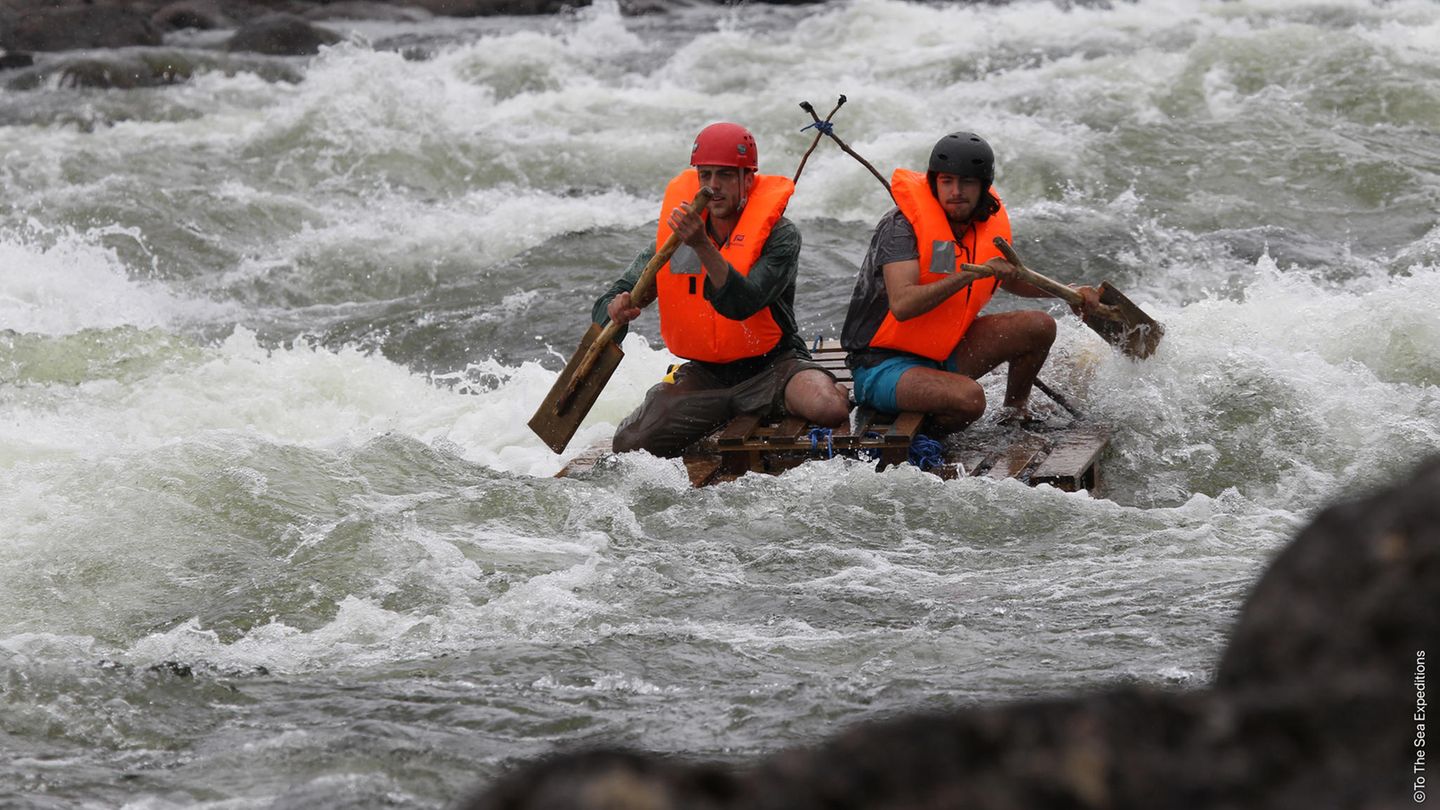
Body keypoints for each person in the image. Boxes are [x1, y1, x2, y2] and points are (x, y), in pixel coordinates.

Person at [592, 122, 851, 457]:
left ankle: (822, 387)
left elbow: (743, 303)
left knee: (828, 408)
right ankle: (717, 407)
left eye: (726, 176)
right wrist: (617, 307)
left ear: (747, 179)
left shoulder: (781, 236)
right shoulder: (675, 237)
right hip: (706, 374)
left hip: (773, 365)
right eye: (705, 175)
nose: (713, 186)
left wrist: (702, 245)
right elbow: (614, 295)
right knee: (629, 443)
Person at [840, 131, 1100, 433]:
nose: (955, 191)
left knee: (1039, 326)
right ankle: (924, 421)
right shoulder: (901, 228)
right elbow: (903, 305)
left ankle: (1015, 411)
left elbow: (1012, 277)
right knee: (970, 400)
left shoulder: (982, 223)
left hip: (945, 351)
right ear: (934, 182)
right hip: (882, 365)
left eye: (967, 182)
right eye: (947, 181)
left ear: (983, 187)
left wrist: (1069, 293)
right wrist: (971, 274)